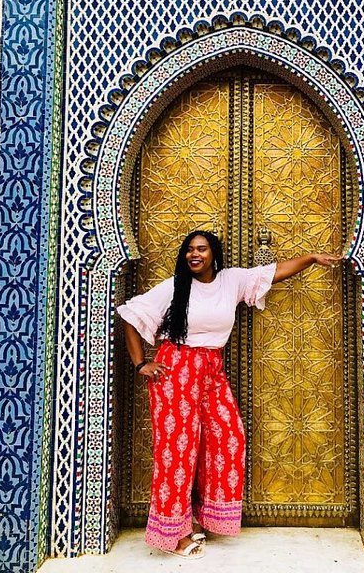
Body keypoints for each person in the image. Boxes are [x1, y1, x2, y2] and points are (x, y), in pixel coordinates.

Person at [117, 229, 342, 559]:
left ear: (214, 254)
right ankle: (173, 534)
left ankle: (197, 516)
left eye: (201, 249)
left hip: (212, 369)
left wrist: (310, 258)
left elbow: (275, 272)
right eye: (189, 250)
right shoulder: (175, 286)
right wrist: (141, 364)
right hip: (176, 369)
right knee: (178, 451)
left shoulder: (231, 281)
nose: (194, 254)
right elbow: (130, 315)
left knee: (228, 437)